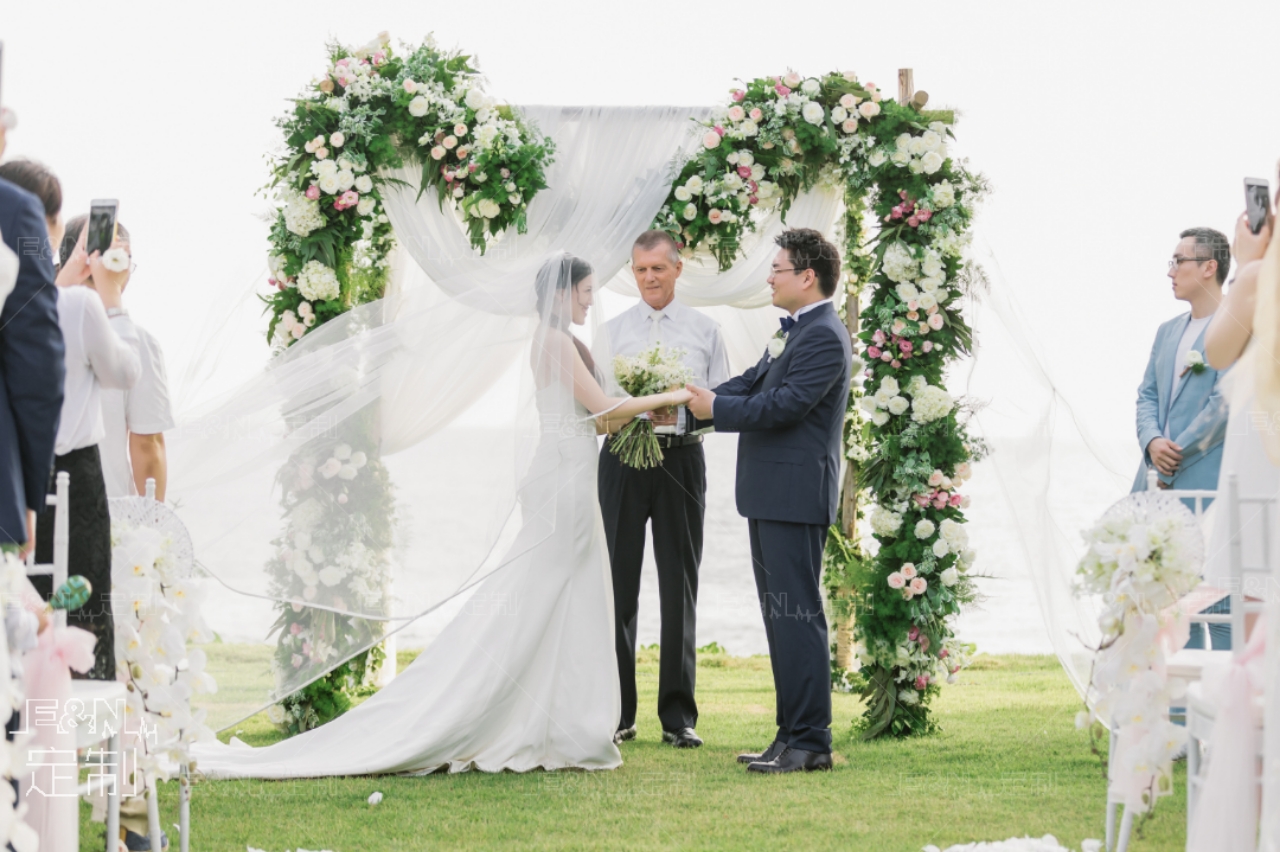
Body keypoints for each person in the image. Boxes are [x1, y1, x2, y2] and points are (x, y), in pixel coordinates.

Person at [192, 253, 691, 779]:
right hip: (562, 483)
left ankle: (559, 718)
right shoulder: (553, 341)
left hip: (572, 473)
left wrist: (643, 414)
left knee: (565, 595)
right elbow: (602, 409)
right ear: (563, 294)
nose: (591, 301)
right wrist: (668, 395)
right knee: (543, 593)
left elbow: (596, 423)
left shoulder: (564, 342)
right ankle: (511, 712)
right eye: (585, 293)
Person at [686, 228, 852, 774]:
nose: (769, 278)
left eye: (777, 269)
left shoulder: (824, 335)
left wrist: (716, 410)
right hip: (771, 495)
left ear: (807, 276)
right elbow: (754, 383)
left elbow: (785, 405)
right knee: (781, 618)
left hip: (795, 496)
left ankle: (812, 742)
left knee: (797, 616)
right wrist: (692, 404)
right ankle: (788, 736)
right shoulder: (795, 332)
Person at [592, 229, 729, 749]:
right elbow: (597, 407)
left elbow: (720, 407)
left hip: (681, 461)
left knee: (679, 584)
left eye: (658, 268)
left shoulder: (706, 330)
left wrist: (684, 415)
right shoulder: (610, 333)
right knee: (616, 586)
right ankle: (618, 713)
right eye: (640, 269)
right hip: (622, 461)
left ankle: (678, 718)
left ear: (677, 268)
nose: (648, 278)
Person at [25, 190, 141, 680]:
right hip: (78, 473)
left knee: (24, 601)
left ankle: (24, 709)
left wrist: (70, 274)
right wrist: (111, 297)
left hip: (20, 474)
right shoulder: (84, 307)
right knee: (87, 597)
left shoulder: (25, 306)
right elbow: (124, 373)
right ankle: (89, 712)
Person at [1131, 227, 1232, 649]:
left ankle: (1223, 689)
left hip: (1210, 483)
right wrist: (1153, 442)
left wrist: (1176, 452)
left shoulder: (1237, 328)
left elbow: (1225, 403)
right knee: (1168, 604)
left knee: (1219, 605)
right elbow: (1147, 395)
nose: (1170, 271)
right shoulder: (1167, 331)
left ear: (1208, 267)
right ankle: (1179, 693)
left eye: (1178, 261)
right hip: (1156, 485)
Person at [55, 215, 175, 501]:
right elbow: (147, 444)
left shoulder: (27, 325)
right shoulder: (138, 341)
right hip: (104, 507)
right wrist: (152, 520)